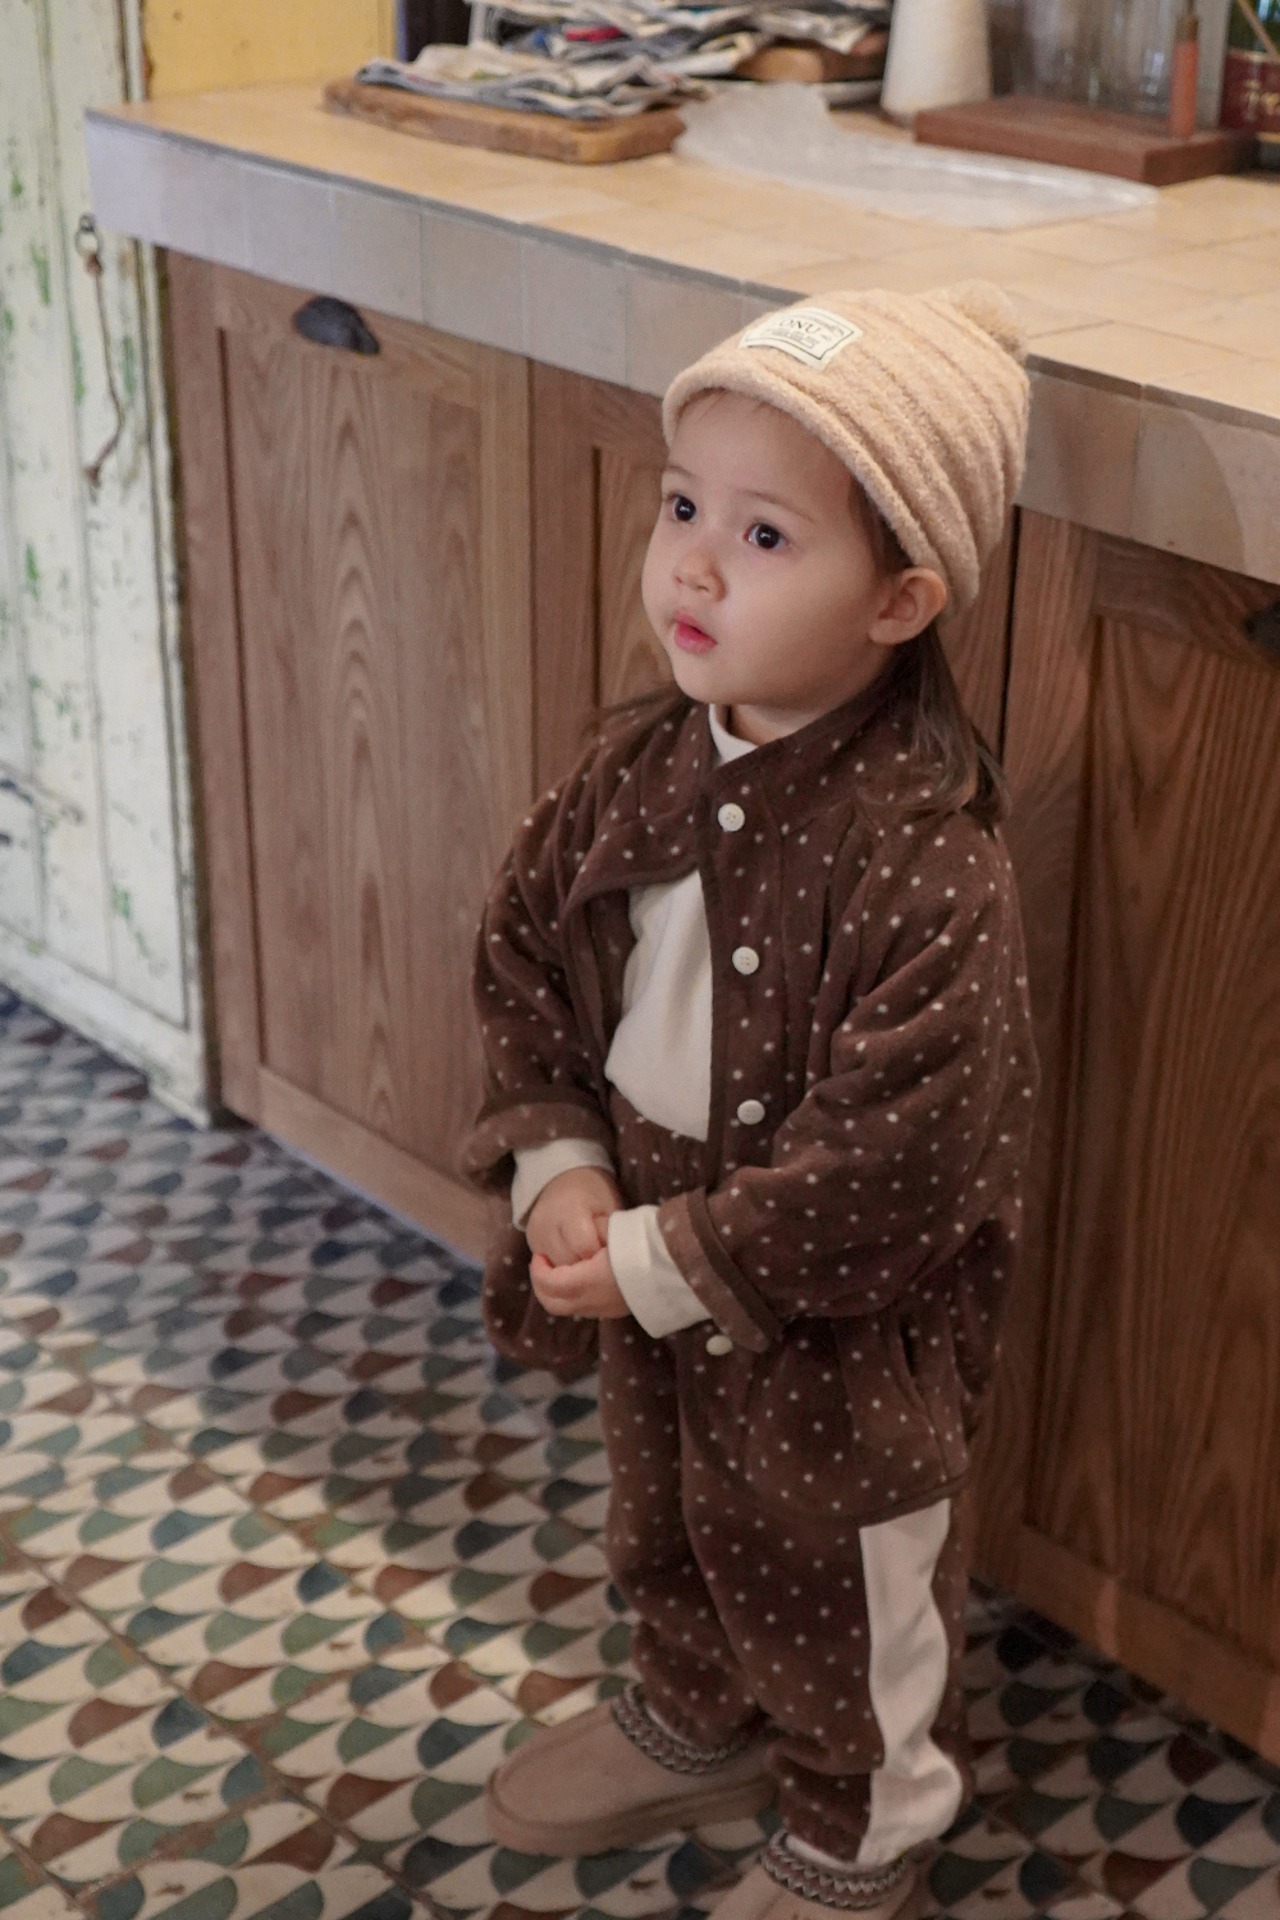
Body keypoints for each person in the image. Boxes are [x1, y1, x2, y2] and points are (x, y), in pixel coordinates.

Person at [461, 283, 1038, 1920]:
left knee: (841, 1560)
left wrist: (666, 1256)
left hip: (836, 1315)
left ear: (901, 599)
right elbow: (524, 952)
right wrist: (563, 1164)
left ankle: (870, 1817)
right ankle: (703, 1706)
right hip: (645, 1236)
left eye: (767, 535)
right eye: (683, 508)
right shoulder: (637, 768)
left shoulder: (928, 865)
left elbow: (902, 1157)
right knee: (671, 1503)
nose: (695, 567)